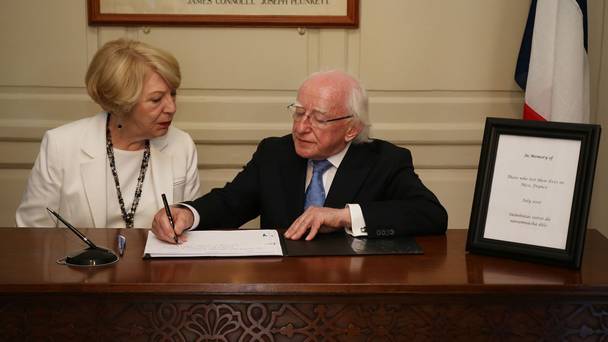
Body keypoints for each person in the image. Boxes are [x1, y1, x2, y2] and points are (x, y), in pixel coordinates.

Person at [152, 70, 446, 242]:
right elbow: (231, 202)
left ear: (351, 129)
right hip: (280, 291)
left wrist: (344, 216)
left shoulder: (384, 160)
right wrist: (187, 213)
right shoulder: (274, 153)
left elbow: (431, 215)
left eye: (318, 118)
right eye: (298, 112)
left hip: (353, 294)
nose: (301, 127)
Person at [16, 38, 200, 228]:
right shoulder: (61, 146)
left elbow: (191, 224)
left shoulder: (181, 145)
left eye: (173, 94)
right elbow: (31, 232)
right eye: (156, 99)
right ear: (122, 103)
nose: (171, 107)